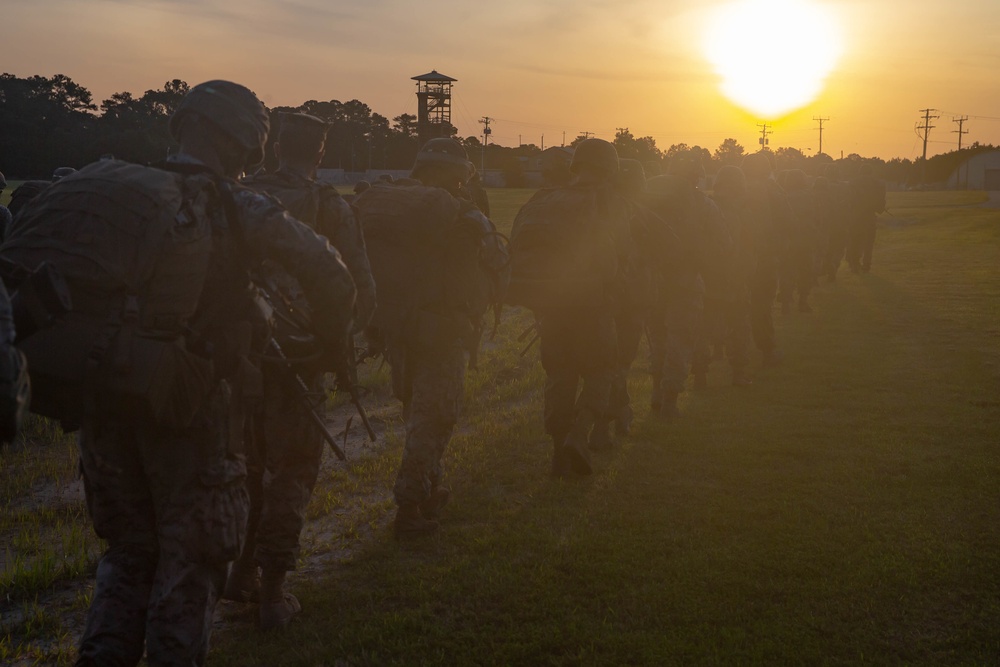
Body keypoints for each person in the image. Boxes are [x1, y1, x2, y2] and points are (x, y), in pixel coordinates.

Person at [5, 80, 356, 666]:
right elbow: (333, 277)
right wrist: (324, 347)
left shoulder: (120, 186)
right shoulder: (231, 203)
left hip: (104, 397)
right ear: (247, 141)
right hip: (190, 409)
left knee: (127, 553)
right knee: (191, 562)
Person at [227, 112, 376, 630]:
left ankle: (239, 571)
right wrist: (340, 348)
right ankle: (272, 591)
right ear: (318, 154)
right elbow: (356, 284)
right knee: (291, 471)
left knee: (245, 469)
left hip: (231, 358)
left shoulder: (231, 198)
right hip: (296, 356)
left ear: (273, 148)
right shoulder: (326, 206)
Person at [355, 138, 507, 536]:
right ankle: (409, 507)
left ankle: (428, 487)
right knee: (436, 416)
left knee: (415, 410)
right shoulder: (457, 212)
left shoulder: (390, 203)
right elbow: (497, 257)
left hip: (396, 328)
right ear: (455, 174)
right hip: (441, 331)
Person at [508, 138, 631, 475]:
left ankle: (557, 450)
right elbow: (621, 253)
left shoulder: (544, 197)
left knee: (560, 374)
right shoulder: (606, 200)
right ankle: (580, 434)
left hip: (551, 305)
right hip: (592, 303)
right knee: (600, 369)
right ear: (609, 168)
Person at [741, 151, 792, 367]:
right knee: (762, 304)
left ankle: (722, 350)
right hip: (764, 255)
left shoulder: (735, 188)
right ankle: (767, 349)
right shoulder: (773, 190)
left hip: (736, 254)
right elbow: (788, 221)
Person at [847, 163, 886, 273]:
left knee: (855, 240)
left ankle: (855, 263)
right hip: (870, 216)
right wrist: (880, 208)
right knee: (869, 242)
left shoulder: (853, 183)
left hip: (855, 216)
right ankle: (866, 264)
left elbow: (849, 199)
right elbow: (881, 202)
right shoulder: (878, 184)